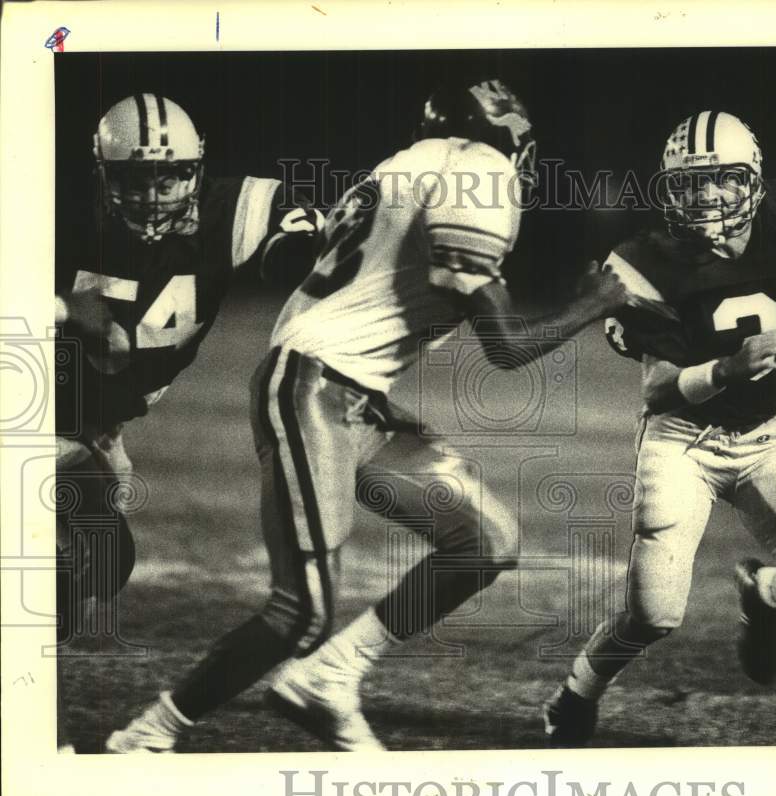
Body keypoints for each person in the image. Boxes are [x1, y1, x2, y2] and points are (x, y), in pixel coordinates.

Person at [105, 78, 627, 753]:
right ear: (513, 141)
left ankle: (330, 677)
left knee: (485, 541)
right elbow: (504, 347)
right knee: (301, 611)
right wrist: (596, 301)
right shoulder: (479, 172)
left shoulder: (403, 164)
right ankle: (146, 737)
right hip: (313, 389)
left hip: (351, 396)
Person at [543, 110, 776, 747]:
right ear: (669, 191)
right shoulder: (644, 264)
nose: (708, 196)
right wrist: (727, 368)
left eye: (723, 179)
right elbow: (660, 388)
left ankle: (761, 589)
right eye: (690, 184)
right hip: (682, 444)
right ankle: (575, 695)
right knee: (655, 613)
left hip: (770, 435)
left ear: (755, 180)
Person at [55, 93, 323, 647]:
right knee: (62, 567)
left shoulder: (227, 212)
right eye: (133, 181)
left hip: (92, 424)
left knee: (104, 566)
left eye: (168, 179)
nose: (151, 197)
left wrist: (303, 251)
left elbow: (300, 227)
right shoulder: (60, 215)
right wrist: (58, 306)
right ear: (103, 175)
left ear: (196, 172)